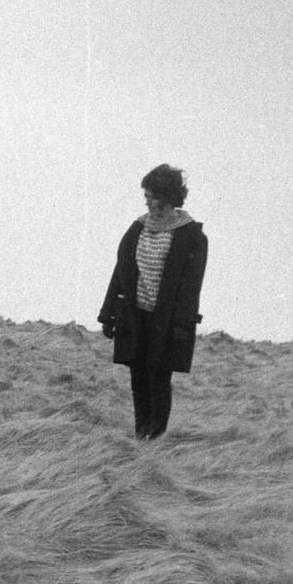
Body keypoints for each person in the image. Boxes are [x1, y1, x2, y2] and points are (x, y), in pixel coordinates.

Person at [98, 164, 207, 441]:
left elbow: (191, 287)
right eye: (145, 196)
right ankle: (140, 436)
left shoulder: (191, 236)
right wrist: (109, 313)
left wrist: (182, 325)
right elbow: (121, 271)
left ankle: (155, 439)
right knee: (137, 379)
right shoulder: (138, 228)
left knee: (159, 379)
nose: (147, 202)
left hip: (166, 322)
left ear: (168, 196)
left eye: (152, 196)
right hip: (135, 316)